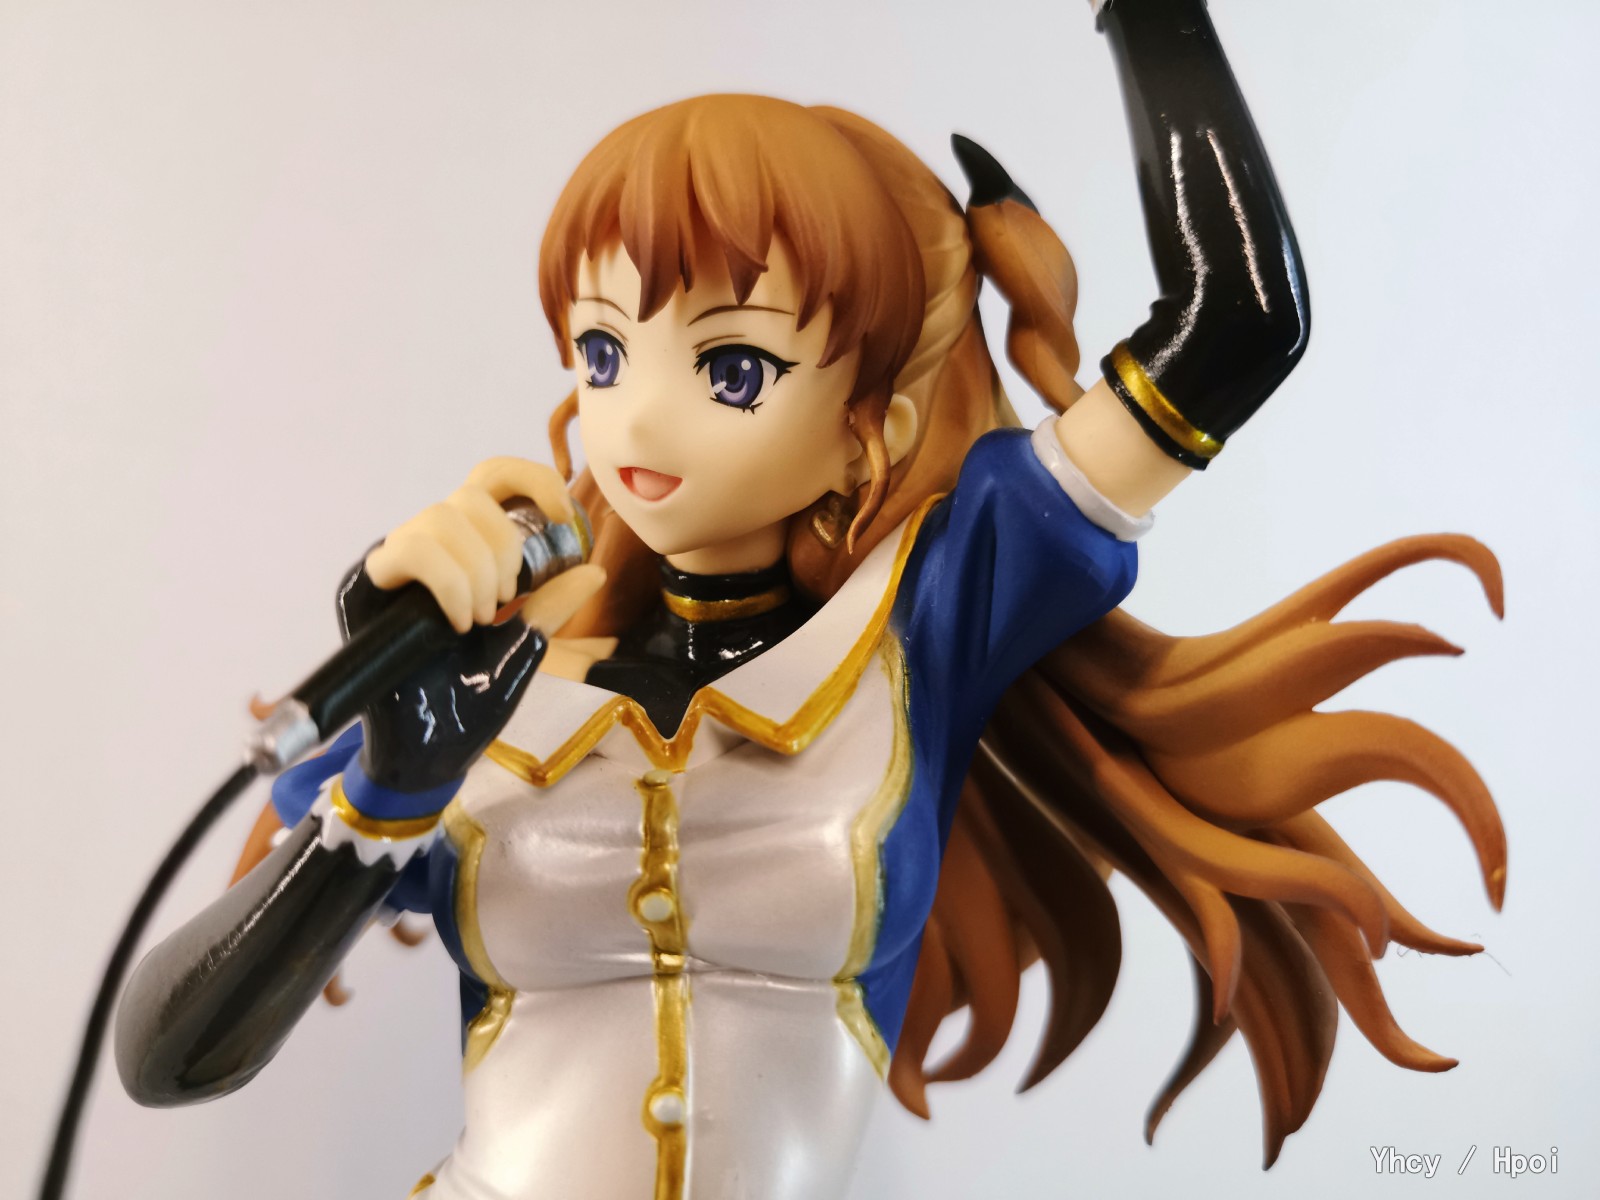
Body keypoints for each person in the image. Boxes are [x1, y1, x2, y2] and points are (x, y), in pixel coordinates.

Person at [112, 1, 1506, 1196]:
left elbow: (1239, 323)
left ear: (865, 430)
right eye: (603, 352)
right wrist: (391, 792)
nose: (635, 417)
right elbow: (170, 1057)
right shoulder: (488, 685)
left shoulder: (924, 620)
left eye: (732, 368)